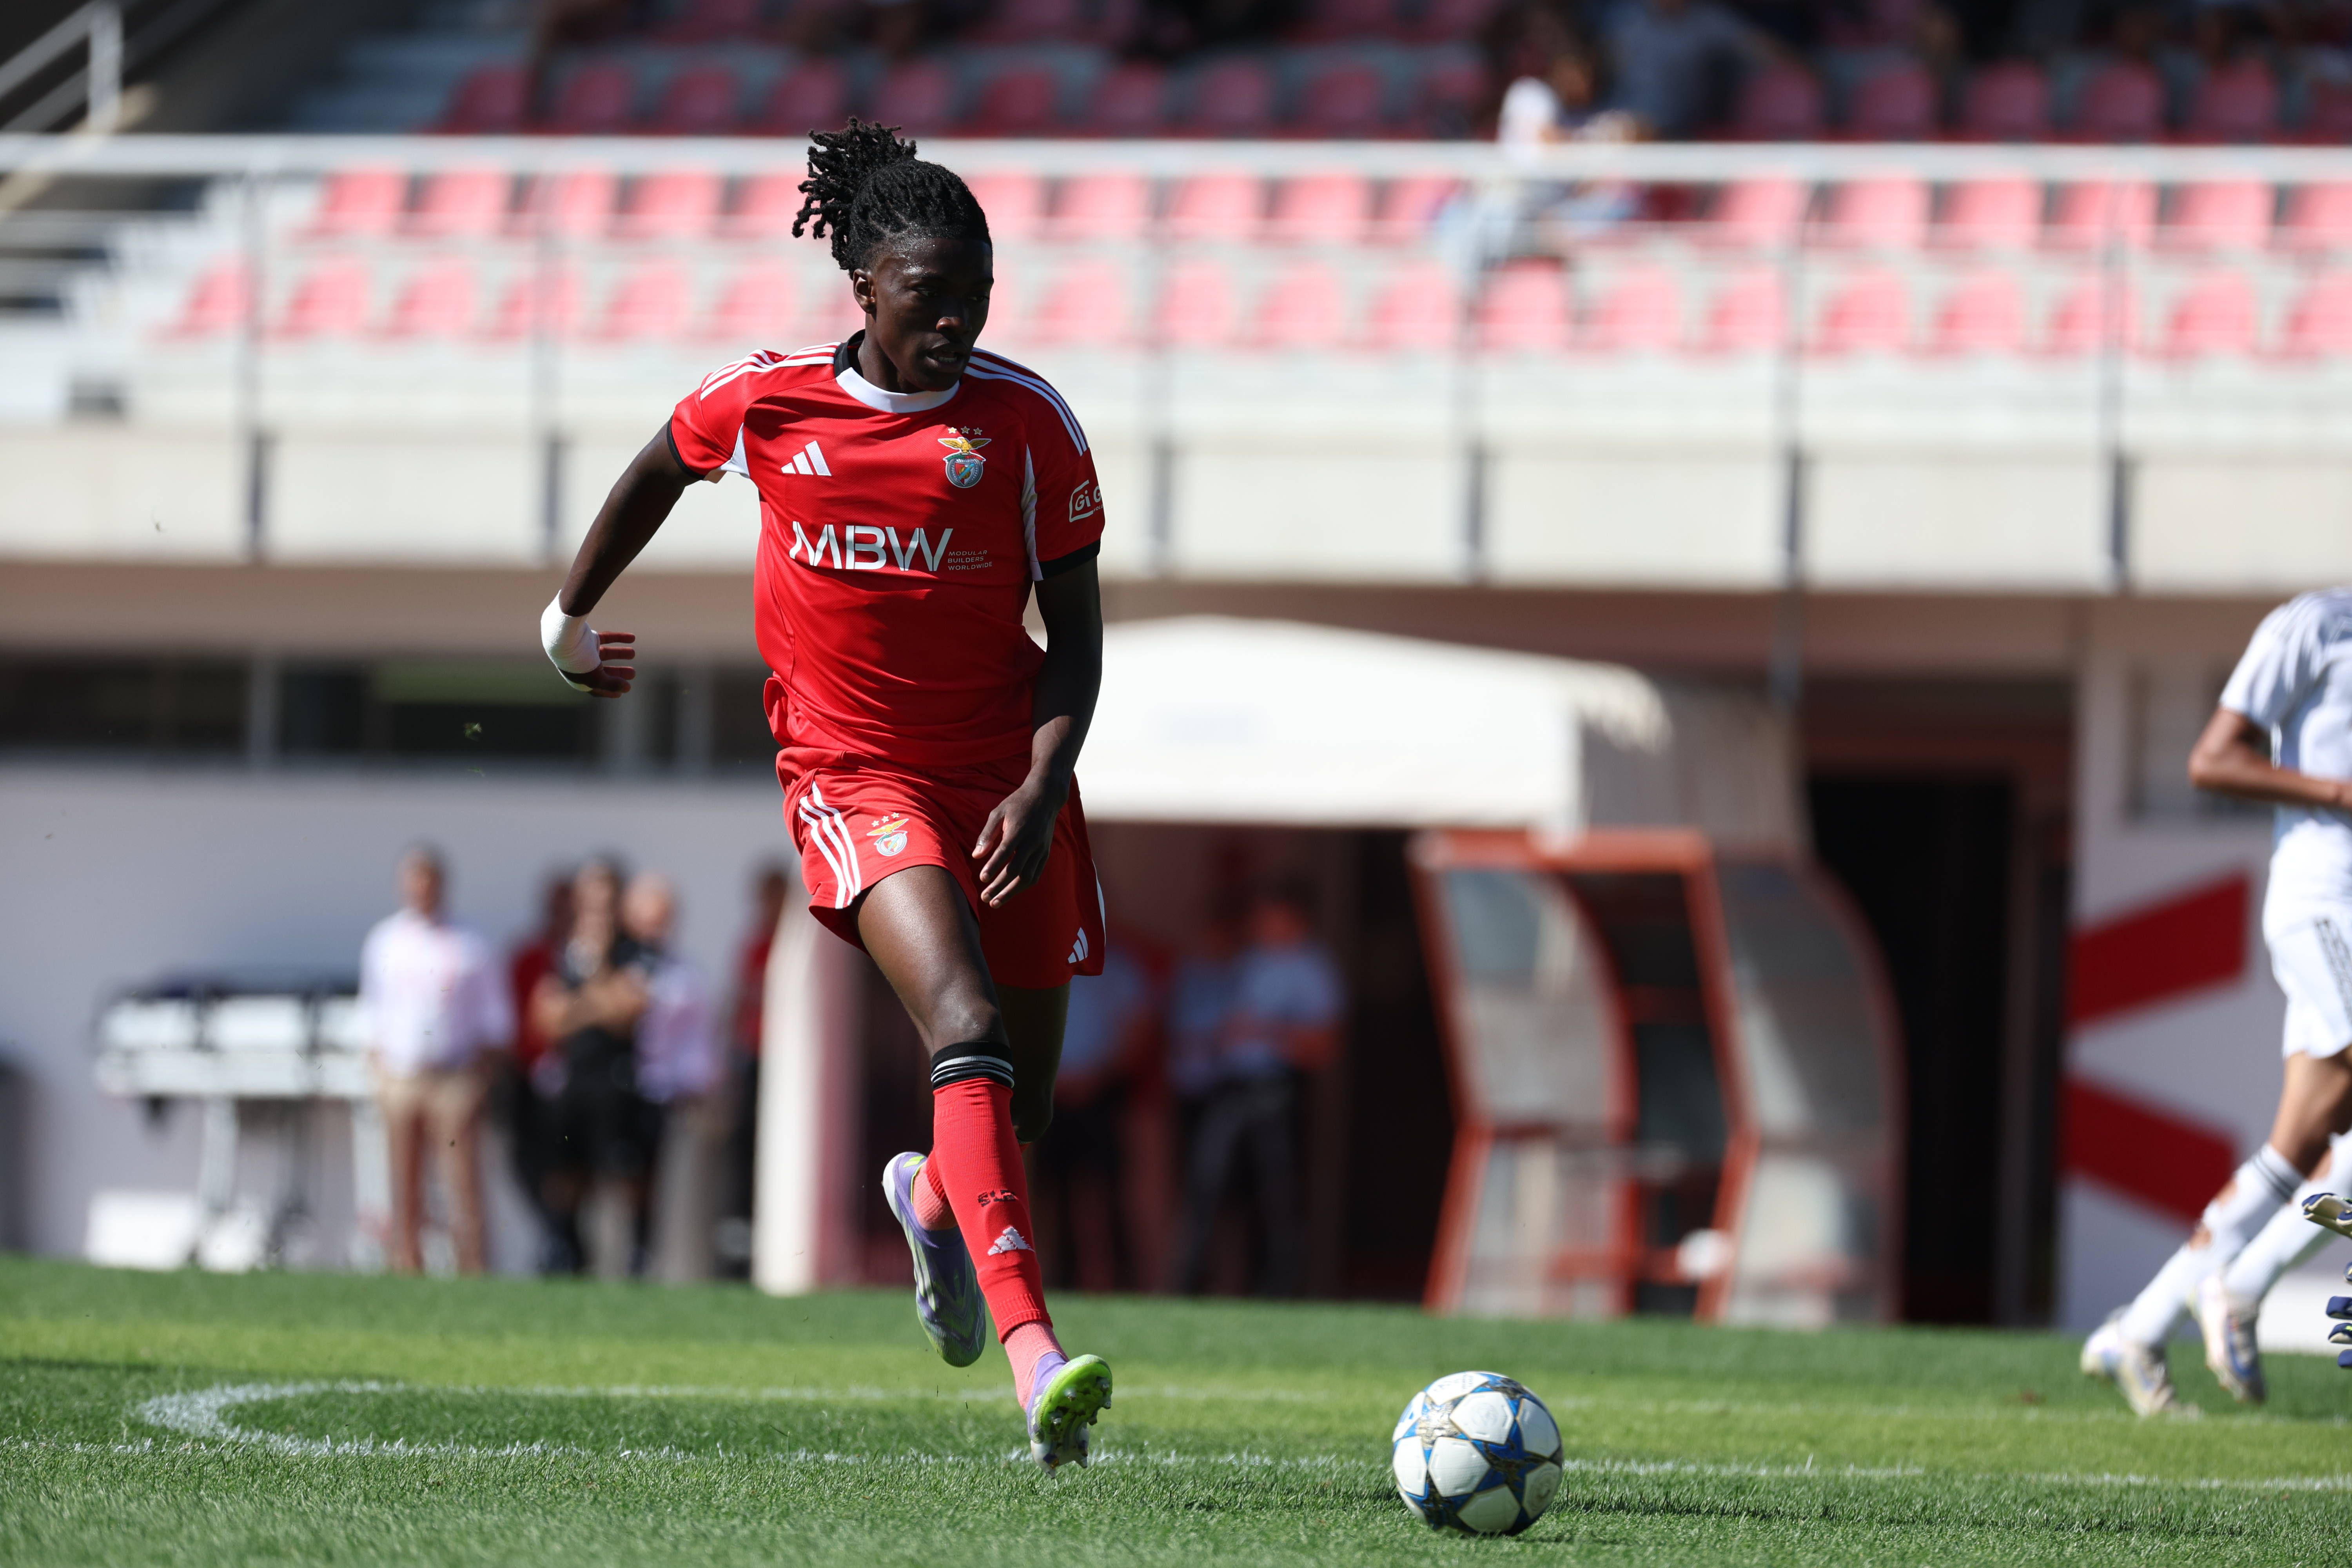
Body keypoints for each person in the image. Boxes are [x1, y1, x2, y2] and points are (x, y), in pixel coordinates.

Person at [535, 119, 1114, 1469]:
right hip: (854, 779)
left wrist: (1040, 787)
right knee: (960, 1021)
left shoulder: (1027, 427)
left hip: (1008, 786)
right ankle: (1038, 1368)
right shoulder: (772, 400)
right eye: (931, 297)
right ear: (866, 289)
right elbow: (655, 472)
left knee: (1013, 1115)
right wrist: (564, 618)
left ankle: (932, 1206)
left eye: (978, 292)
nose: (958, 321)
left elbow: (1077, 642)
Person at [2083, 589, 2352, 1412]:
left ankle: (2146, 1324)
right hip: (2324, 903)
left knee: (2302, 1144)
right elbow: (2212, 758)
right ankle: (2245, 1286)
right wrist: (2341, 795)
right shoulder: (2316, 623)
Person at [1174, 882, 1343, 1297]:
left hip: (1277, 1089)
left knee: (1278, 1194)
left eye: (1268, 915)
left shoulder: (1312, 967)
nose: (1259, 923)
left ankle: (1281, 1291)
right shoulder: (1247, 960)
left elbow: (1324, 1045)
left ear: (1293, 918)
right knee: (1208, 1183)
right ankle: (1190, 1286)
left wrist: (1265, 1030)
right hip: (1230, 1086)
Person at [357, 844, 512, 1275]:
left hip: (454, 1076)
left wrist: (480, 1074)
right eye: (414, 880)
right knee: (404, 1180)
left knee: (462, 1181)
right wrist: (380, 1067)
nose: (422, 889)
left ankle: (474, 1265)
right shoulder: (386, 940)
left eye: (429, 880)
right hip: (403, 1075)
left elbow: (494, 1017)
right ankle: (406, 1261)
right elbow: (373, 1010)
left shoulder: (470, 943)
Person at [532, 857, 655, 1277]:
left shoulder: (632, 950)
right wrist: (597, 1003)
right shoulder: (563, 952)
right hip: (574, 1080)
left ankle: (635, 1260)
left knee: (626, 1173)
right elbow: (547, 1018)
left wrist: (588, 990)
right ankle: (567, 1253)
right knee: (567, 1176)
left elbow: (629, 1009)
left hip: (618, 1080)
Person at [1033, 937, 1155, 1291]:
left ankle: (1104, 1284)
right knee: (1046, 1197)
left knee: (1098, 1199)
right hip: (1048, 1097)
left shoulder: (1120, 969)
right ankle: (1049, 1285)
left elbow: (1140, 1033)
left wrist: (1097, 1079)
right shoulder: (1040, 960)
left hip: (1100, 1097)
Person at [624, 872, 724, 1281]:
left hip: (669, 1100)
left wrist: (702, 1088)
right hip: (622, 1095)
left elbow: (699, 1040)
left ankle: (661, 1269)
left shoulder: (685, 973)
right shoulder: (615, 967)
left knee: (668, 1192)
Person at [718, 862, 791, 1278]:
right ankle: (738, 1244)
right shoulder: (757, 944)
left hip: (778, 1063)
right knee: (743, 1151)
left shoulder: (792, 947)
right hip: (755, 1058)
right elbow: (739, 1003)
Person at [504, 871, 574, 1265]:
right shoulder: (531, 956)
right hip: (533, 1079)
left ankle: (566, 1242)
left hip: (575, 1082)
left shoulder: (588, 955)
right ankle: (553, 1237)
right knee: (530, 1163)